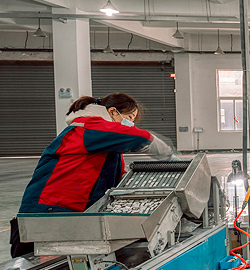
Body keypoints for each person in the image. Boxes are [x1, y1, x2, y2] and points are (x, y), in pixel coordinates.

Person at [9, 93, 172, 258]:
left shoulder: (103, 140)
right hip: (49, 212)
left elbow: (109, 175)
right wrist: (169, 156)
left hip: (65, 211)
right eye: (130, 117)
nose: (130, 123)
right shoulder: (89, 127)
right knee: (46, 265)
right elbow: (140, 137)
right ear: (113, 111)